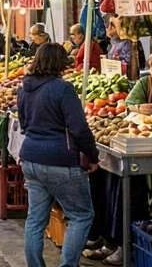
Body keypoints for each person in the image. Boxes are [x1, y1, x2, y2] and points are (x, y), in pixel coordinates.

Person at [18, 43, 99, 267]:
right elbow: (79, 128)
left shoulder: (24, 88)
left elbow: (23, 124)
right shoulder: (62, 89)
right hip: (61, 161)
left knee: (35, 219)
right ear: (59, 63)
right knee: (81, 216)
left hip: (31, 158)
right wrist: (92, 156)